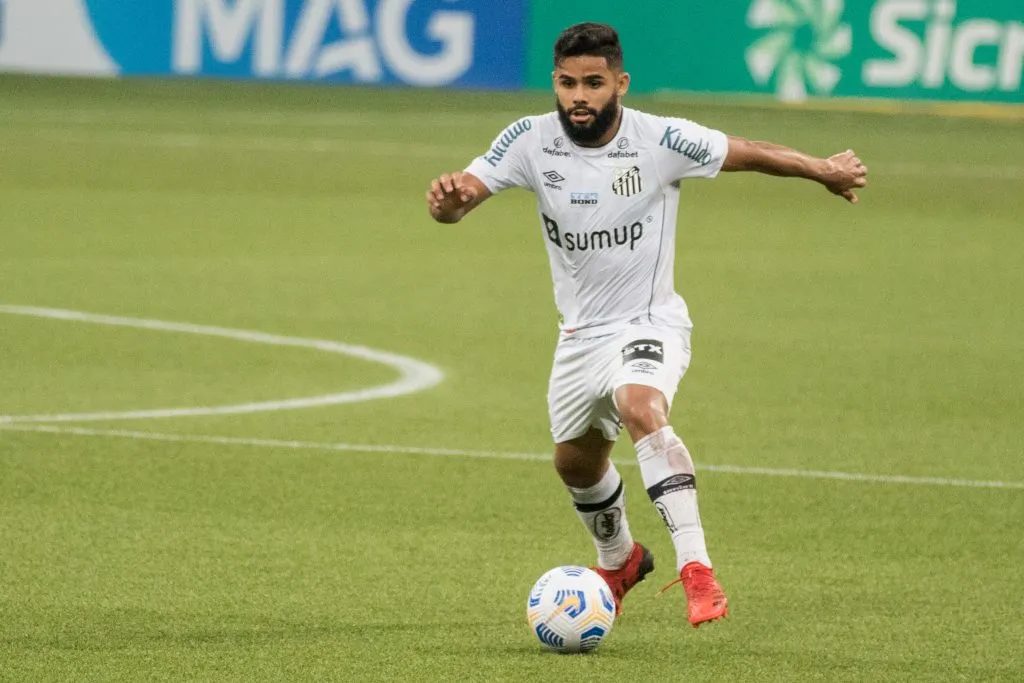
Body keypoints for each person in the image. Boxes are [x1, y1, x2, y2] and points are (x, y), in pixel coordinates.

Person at [425, 22, 868, 628]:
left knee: (640, 404)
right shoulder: (529, 139)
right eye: (567, 83)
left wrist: (823, 170)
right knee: (575, 464)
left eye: (594, 83)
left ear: (620, 83)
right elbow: (463, 196)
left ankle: (698, 570)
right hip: (579, 336)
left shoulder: (659, 139)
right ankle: (621, 559)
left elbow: (747, 151)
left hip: (649, 321)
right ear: (554, 82)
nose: (579, 96)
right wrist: (450, 204)